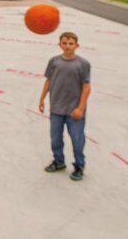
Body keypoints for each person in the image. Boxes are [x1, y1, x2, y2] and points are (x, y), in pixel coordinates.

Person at [38, 31, 91, 182]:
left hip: (74, 110)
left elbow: (87, 87)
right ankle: (59, 161)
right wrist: (42, 99)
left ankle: (79, 166)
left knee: (77, 139)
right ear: (59, 44)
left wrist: (80, 108)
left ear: (77, 45)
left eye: (71, 43)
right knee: (55, 138)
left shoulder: (83, 64)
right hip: (56, 108)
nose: (67, 46)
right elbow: (48, 81)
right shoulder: (54, 61)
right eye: (65, 43)